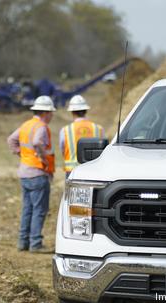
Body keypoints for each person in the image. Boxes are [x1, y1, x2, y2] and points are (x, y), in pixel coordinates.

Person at [7, 96, 56, 253]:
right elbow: (37, 143)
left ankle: (23, 242)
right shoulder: (41, 127)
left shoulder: (26, 125)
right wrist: (43, 159)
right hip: (37, 173)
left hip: (24, 173)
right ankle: (35, 243)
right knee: (39, 210)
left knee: (27, 208)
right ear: (46, 113)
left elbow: (11, 140)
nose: (52, 116)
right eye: (51, 112)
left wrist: (21, 154)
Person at [59, 95, 104, 178]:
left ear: (72, 112)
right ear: (86, 110)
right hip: (93, 171)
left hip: (72, 171)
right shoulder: (99, 129)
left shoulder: (65, 130)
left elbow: (63, 149)